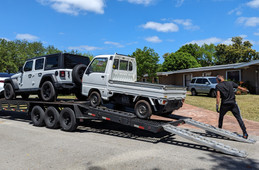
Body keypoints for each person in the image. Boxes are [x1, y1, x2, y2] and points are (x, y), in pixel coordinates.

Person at [215, 75, 249, 139]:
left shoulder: (218, 86)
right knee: (239, 118)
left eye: (216, 80)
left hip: (224, 104)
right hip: (233, 104)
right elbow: (239, 87)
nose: (216, 81)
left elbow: (218, 96)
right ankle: (245, 133)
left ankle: (219, 130)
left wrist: (217, 105)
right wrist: (246, 90)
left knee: (221, 117)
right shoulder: (230, 83)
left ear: (218, 80)